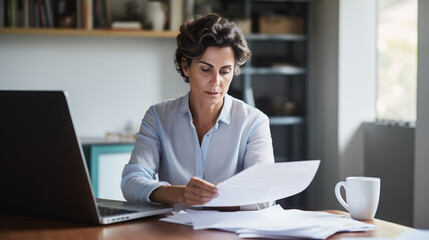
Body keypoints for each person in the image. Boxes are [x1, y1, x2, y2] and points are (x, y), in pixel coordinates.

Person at [121, 14, 274, 210]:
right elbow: (131, 182)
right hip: (174, 233)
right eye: (205, 69)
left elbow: (265, 195)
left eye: (225, 71)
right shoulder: (158, 117)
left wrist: (212, 199)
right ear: (186, 67)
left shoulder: (254, 122)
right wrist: (182, 194)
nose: (216, 81)